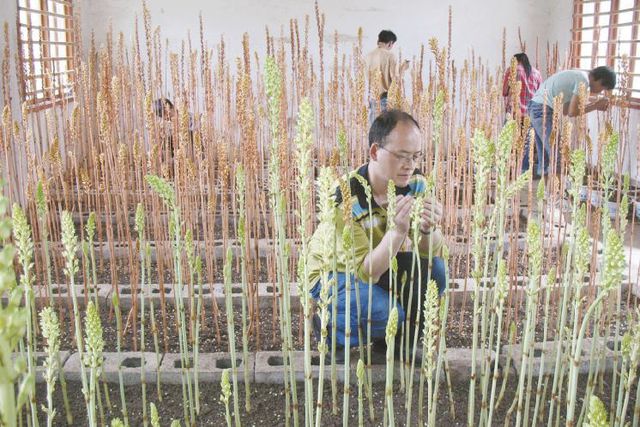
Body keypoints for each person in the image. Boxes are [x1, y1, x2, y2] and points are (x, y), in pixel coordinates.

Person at [306, 109, 447, 359]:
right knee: (388, 312)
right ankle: (331, 331)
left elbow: (429, 252)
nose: (410, 165)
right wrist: (397, 232)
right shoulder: (346, 198)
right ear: (374, 152)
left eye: (415, 157)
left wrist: (427, 229)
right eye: (401, 156)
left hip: (379, 262)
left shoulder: (415, 184)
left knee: (434, 271)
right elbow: (366, 271)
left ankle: (397, 342)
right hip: (335, 272)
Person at [523, 66, 615, 177]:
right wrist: (595, 105)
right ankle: (555, 192)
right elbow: (572, 112)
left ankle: (547, 190)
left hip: (535, 107)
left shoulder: (578, 75)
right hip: (541, 110)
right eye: (603, 88)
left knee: (545, 157)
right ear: (599, 80)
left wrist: (594, 105)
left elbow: (566, 111)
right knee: (558, 154)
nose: (600, 92)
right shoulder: (583, 81)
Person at [365, 30, 410, 124]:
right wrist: (403, 69)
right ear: (390, 43)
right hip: (385, 98)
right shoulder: (390, 55)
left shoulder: (368, 56)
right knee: (386, 131)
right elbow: (395, 80)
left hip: (373, 98)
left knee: (374, 130)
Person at [502, 53, 542, 118]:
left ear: (516, 61)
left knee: (509, 128)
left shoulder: (511, 70)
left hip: (513, 113)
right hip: (530, 114)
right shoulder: (537, 73)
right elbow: (540, 95)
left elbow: (504, 92)